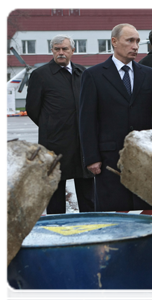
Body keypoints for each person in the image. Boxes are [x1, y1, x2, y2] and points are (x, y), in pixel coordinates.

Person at [79, 23, 152, 212]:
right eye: (130, 41)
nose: (135, 46)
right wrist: (91, 157)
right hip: (110, 159)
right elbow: (87, 120)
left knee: (144, 214)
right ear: (114, 42)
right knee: (114, 216)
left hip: (145, 158)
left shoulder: (149, 74)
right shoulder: (93, 75)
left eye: (137, 41)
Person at [26, 34, 94, 214]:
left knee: (88, 191)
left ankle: (92, 227)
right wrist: (51, 125)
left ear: (73, 50)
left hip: (82, 143)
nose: (61, 53)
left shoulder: (83, 72)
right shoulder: (40, 75)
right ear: (52, 51)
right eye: (57, 49)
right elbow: (32, 108)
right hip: (55, 143)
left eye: (65, 49)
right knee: (55, 190)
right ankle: (58, 230)